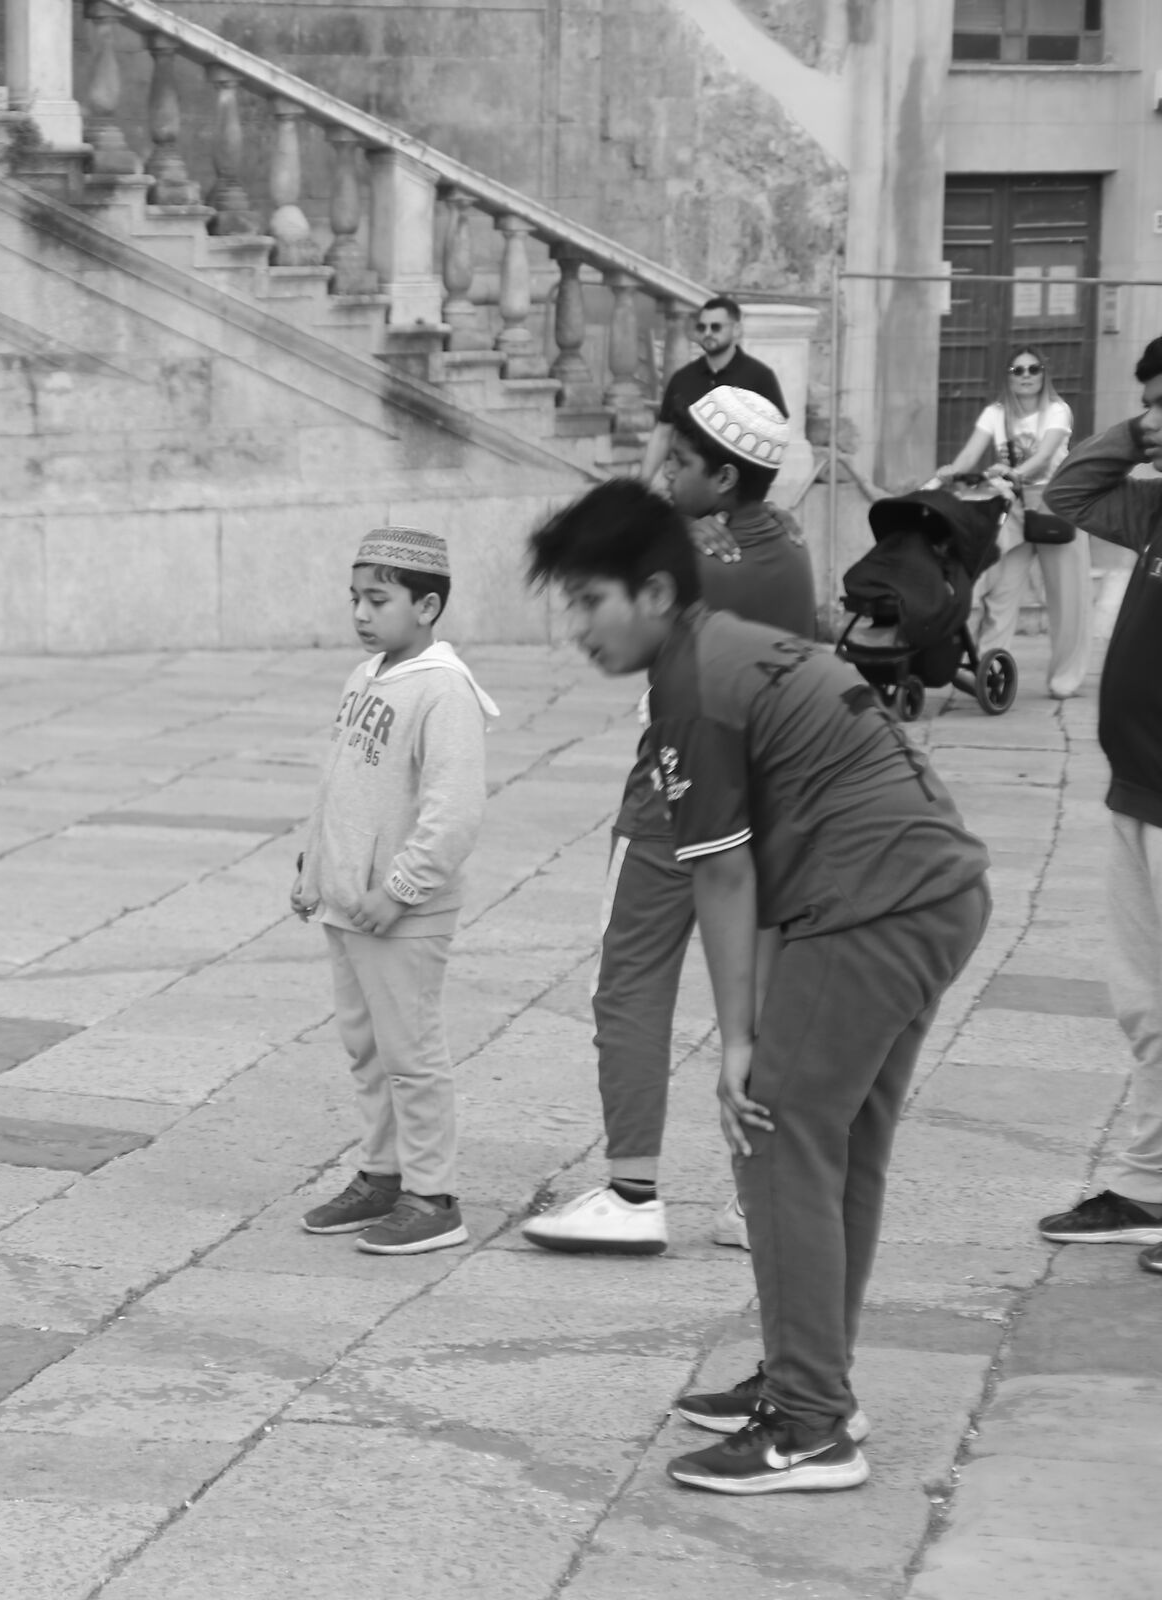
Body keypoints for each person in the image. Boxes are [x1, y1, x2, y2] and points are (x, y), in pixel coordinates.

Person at [529, 481, 989, 1496]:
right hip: (930, 890)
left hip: (878, 902)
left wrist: (740, 1043)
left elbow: (725, 873)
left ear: (654, 592)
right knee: (836, 1142)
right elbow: (761, 865)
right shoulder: (722, 645)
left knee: (775, 1129)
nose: (577, 629)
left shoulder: (696, 679)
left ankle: (812, 1423)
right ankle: (810, 1377)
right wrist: (757, 1028)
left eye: (588, 602)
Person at [527, 388, 819, 1258]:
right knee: (762, 1000)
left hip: (676, 789)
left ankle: (632, 1189)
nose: (665, 476)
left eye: (681, 464)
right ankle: (752, 1198)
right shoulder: (792, 540)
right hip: (775, 789)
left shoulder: (690, 556)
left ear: (725, 476)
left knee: (630, 984)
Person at [292, 527, 499, 1256]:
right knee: (368, 1051)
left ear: (428, 605)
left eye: (378, 599)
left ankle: (433, 1195)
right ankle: (380, 1176)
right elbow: (338, 785)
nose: (361, 613)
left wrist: (402, 887)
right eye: (355, 598)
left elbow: (455, 811)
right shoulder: (365, 676)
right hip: (347, 907)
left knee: (411, 1054)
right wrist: (312, 870)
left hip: (402, 914)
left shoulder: (445, 690)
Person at [1033, 335, 1162, 1266]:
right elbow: (1067, 495)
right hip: (1138, 789)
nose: (1154, 420)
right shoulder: (1156, 509)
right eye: (1149, 402)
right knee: (1146, 1003)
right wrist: (1132, 427)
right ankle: (1152, 1184)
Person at [927, 346, 1088, 699]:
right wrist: (950, 472)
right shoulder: (996, 413)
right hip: (1012, 507)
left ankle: (1066, 677)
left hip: (1053, 504)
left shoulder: (1058, 410)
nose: (1026, 375)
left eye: (1033, 368)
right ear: (1008, 376)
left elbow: (1045, 455)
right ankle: (987, 667)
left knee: (1067, 596)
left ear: (1044, 373)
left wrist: (1013, 472)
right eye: (1018, 370)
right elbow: (970, 454)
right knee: (998, 586)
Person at [637, 295, 789, 486]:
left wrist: (759, 486)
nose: (708, 332)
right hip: (687, 490)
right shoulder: (682, 378)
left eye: (716, 327)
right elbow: (664, 431)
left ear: (736, 330)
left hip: (737, 491)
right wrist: (642, 483)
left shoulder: (760, 377)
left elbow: (775, 435)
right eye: (702, 327)